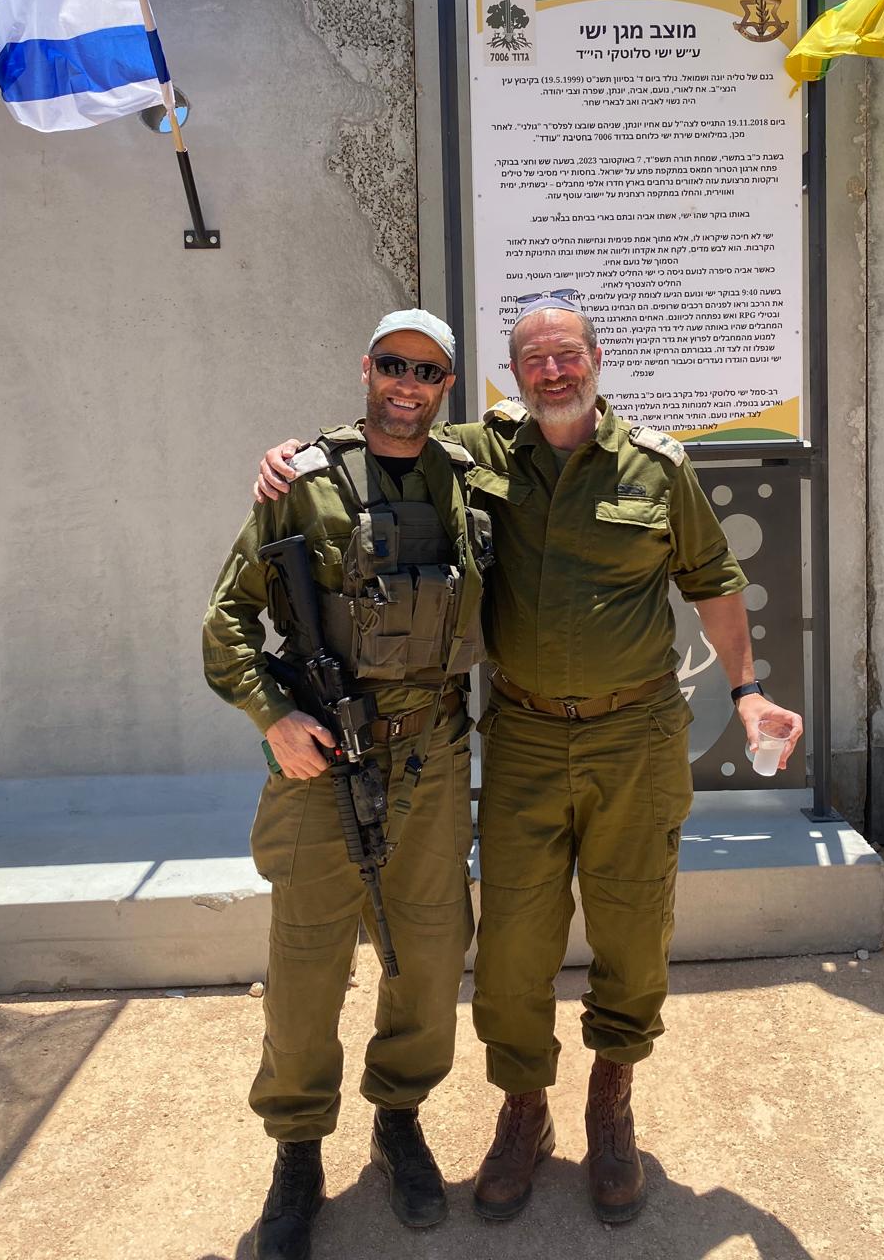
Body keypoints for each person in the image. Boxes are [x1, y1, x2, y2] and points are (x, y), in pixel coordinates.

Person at [253, 295, 803, 1226]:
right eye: (534, 361)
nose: (553, 374)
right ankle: (524, 1110)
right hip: (524, 736)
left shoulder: (660, 468)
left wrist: (747, 692)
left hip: (637, 736)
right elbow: (392, 428)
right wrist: (291, 456)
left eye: (567, 357)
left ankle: (611, 1103)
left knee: (632, 925)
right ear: (510, 377)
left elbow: (712, 581)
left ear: (598, 359)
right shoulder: (479, 455)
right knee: (511, 941)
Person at [204, 308, 491, 1260]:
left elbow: (562, 424)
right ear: (365, 369)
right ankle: (297, 1149)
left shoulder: (470, 477)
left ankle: (398, 1117)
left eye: (429, 372)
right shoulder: (304, 484)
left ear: (448, 387)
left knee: (428, 950)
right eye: (393, 366)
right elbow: (228, 627)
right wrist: (275, 720)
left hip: (434, 756)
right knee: (306, 964)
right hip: (325, 754)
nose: (408, 384)